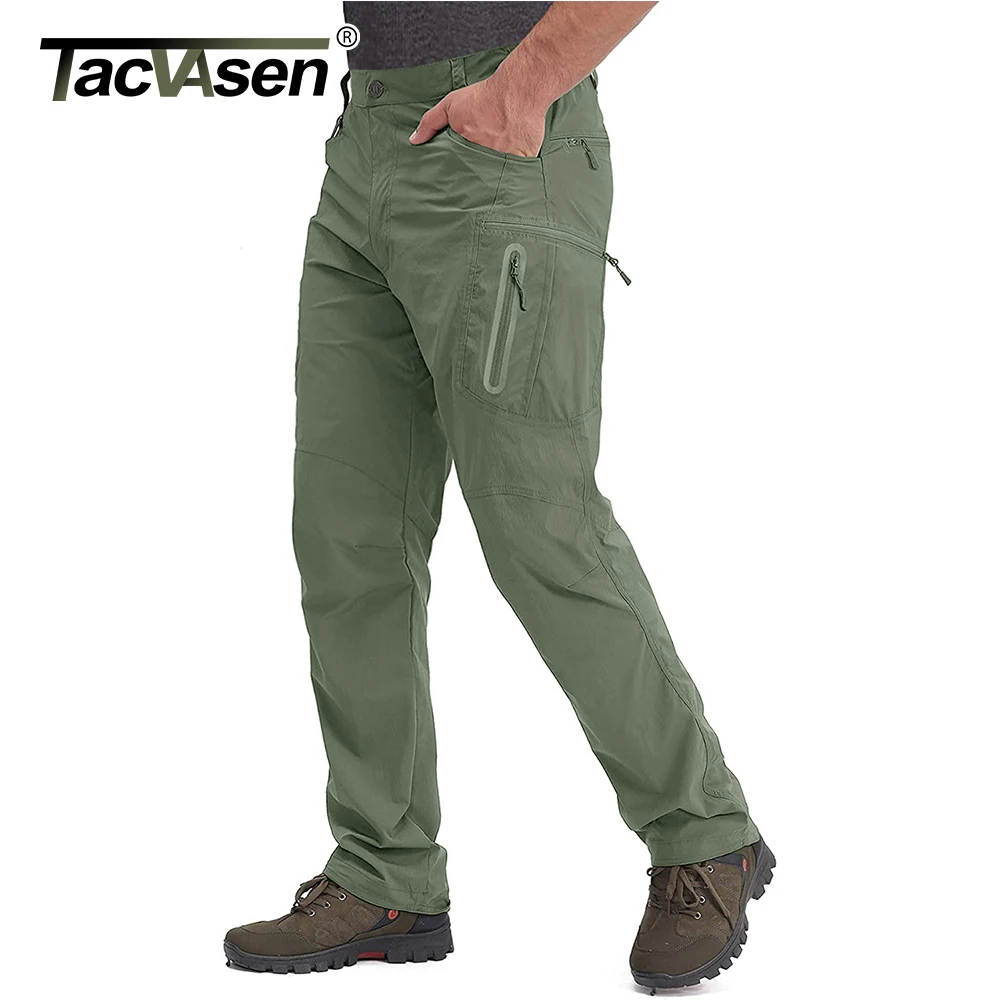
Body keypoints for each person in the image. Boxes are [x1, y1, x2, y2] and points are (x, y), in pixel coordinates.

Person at [224, 2, 773, 990]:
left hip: (499, 132)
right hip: (365, 138)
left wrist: (521, 88)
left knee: (539, 523)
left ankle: (704, 834)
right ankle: (385, 870)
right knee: (348, 538)